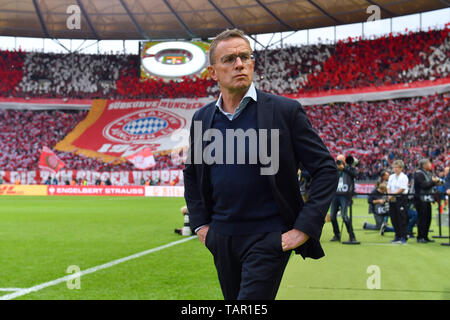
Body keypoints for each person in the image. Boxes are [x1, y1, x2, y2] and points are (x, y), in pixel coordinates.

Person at [183, 28, 338, 300]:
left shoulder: (285, 111)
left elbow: (325, 169)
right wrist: (202, 227)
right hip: (221, 237)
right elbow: (193, 176)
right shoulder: (202, 118)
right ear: (213, 72)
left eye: (245, 56)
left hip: (267, 237)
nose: (240, 64)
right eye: (229, 59)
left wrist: (303, 228)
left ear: (253, 63)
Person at [329, 154, 359, 243]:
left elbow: (355, 174)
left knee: (344, 216)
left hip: (345, 195)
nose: (338, 162)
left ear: (344, 161)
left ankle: (352, 236)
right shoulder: (334, 169)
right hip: (335, 195)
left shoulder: (349, 168)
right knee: (332, 216)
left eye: (340, 161)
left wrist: (344, 168)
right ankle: (337, 234)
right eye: (337, 160)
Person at [413, 158, 443, 243]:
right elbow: (423, 185)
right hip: (420, 199)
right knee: (422, 218)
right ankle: (420, 237)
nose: (431, 165)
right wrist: (433, 182)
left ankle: (425, 236)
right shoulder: (419, 173)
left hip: (426, 199)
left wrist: (436, 183)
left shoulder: (426, 173)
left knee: (427, 218)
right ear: (424, 165)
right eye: (429, 163)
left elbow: (428, 185)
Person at [387, 160, 409, 244]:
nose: (395, 169)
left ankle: (404, 236)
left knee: (402, 217)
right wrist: (389, 194)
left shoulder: (404, 177)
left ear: (401, 168)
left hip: (401, 198)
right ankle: (397, 235)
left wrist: (392, 194)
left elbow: (402, 189)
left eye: (397, 167)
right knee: (393, 217)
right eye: (394, 167)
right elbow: (388, 186)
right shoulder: (391, 176)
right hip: (392, 199)